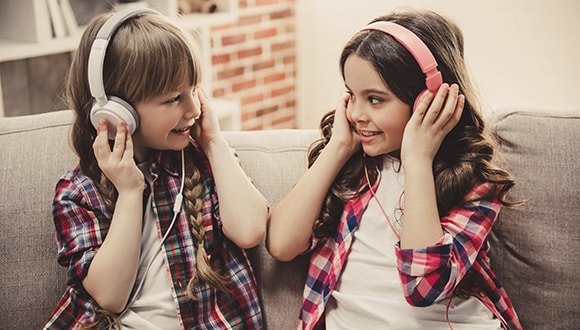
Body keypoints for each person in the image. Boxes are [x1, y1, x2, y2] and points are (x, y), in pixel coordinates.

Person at [267, 9, 522, 330]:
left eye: (375, 99)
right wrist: (338, 147)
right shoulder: (352, 168)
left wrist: (417, 160)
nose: (357, 113)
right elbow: (281, 244)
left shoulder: (474, 183)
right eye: (351, 95)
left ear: (426, 100)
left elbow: (423, 287)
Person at [44, 8, 267, 329]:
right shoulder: (78, 193)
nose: (193, 108)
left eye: (195, 90)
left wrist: (214, 141)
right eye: (174, 98)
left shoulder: (203, 161)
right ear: (114, 112)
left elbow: (250, 230)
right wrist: (130, 192)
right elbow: (109, 296)